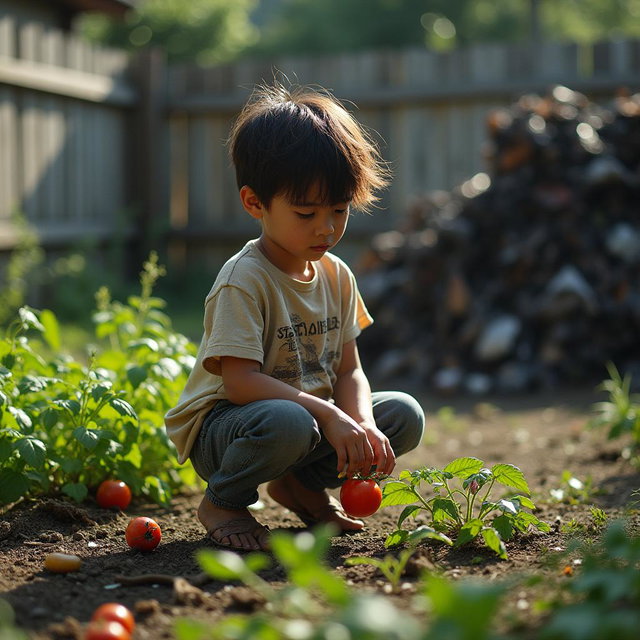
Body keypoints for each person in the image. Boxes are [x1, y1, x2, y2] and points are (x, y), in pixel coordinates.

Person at [165, 82, 425, 552]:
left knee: (403, 415)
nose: (327, 228)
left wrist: (361, 421)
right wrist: (329, 414)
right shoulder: (243, 280)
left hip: (302, 424)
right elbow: (241, 383)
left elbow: (350, 370)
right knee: (288, 421)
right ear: (254, 203)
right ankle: (224, 500)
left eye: (340, 210)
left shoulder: (337, 274)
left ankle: (300, 486)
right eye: (306, 212)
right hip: (232, 429)